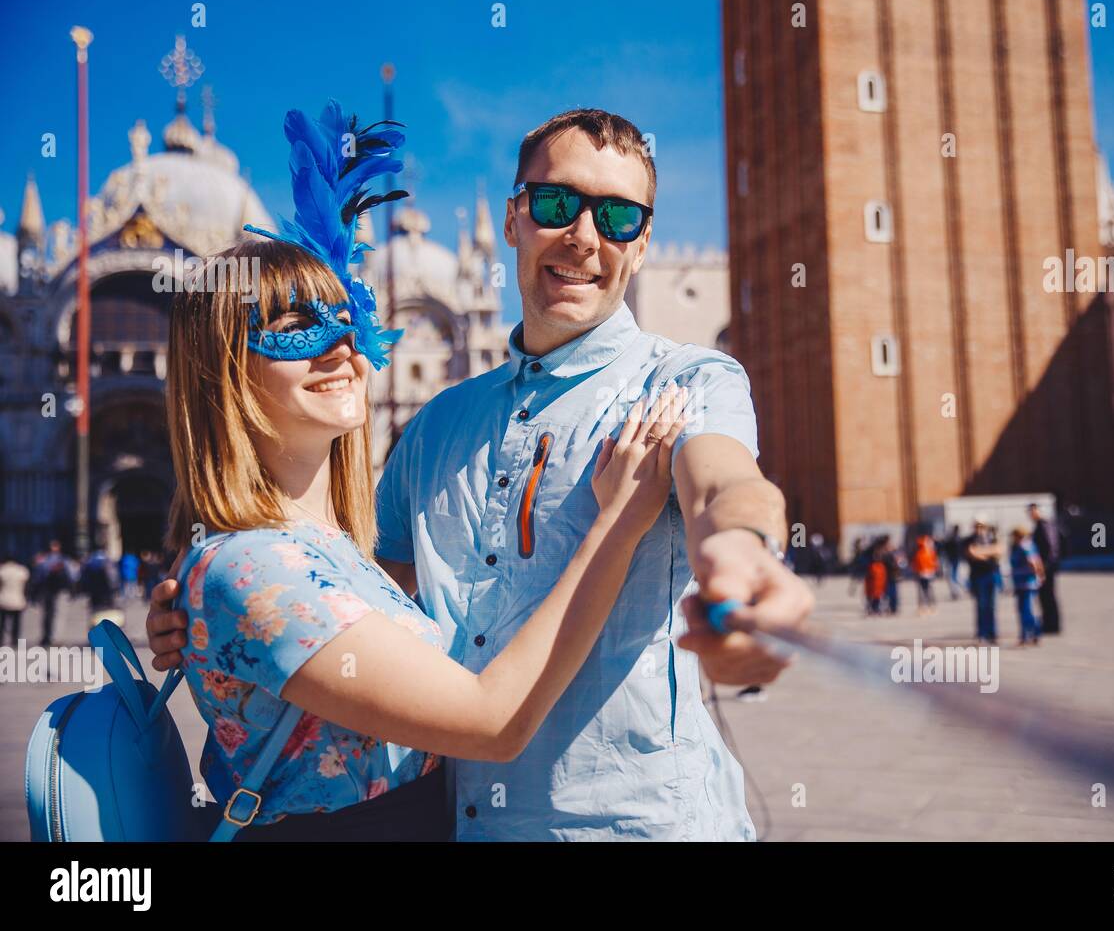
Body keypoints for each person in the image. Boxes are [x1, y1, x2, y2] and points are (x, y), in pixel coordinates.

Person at [148, 105, 813, 841]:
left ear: (643, 241)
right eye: (557, 204)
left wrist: (746, 555)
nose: (584, 237)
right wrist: (211, 616)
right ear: (512, 219)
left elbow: (724, 480)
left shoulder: (684, 382)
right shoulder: (437, 427)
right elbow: (351, 600)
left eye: (619, 216)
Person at [963, 517, 1001, 644]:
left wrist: (981, 553)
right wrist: (988, 553)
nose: (979, 529)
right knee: (981, 605)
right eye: (977, 526)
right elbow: (971, 554)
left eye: (982, 526)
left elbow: (998, 552)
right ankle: (982, 633)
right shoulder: (969, 540)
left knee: (992, 606)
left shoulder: (992, 538)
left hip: (992, 575)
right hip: (978, 576)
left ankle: (992, 633)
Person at [1028, 503, 1063, 634]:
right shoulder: (1043, 525)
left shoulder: (1043, 525)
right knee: (1045, 596)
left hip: (1046, 568)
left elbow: (1050, 548)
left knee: (1048, 596)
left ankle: (1052, 625)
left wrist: (1043, 568)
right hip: (1047, 566)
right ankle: (1049, 623)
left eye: (1033, 511)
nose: (1031, 515)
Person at [32, 540, 71, 646]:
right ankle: (56, 638)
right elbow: (72, 576)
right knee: (58, 614)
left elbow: (38, 577)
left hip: (47, 590)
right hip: (60, 590)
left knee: (47, 614)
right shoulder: (64, 560)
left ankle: (47, 637)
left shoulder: (43, 560)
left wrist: (35, 592)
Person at [1008, 527, 1043, 646]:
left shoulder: (1024, 546)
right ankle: (1026, 635)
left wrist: (1037, 574)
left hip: (1026, 584)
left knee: (1026, 611)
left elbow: (1033, 562)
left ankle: (1033, 633)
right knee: (1024, 610)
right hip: (1021, 583)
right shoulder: (1026, 545)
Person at [0, 556, 30, 647]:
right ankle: (15, 640)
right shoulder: (22, 571)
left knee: (2, 622)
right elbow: (26, 587)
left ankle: (1, 640)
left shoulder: (2, 570)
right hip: (18, 599)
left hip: (3, 599)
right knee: (16, 623)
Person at [911, 532, 938, 615]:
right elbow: (934, 562)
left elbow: (916, 564)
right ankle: (928, 607)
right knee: (927, 591)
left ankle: (926, 607)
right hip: (926, 573)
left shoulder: (924, 553)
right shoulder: (927, 552)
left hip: (924, 574)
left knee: (924, 591)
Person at [942, 525, 963, 599]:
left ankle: (956, 592)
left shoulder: (952, 539)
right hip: (955, 559)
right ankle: (956, 592)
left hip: (952, 559)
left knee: (953, 577)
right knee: (955, 576)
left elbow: (945, 546)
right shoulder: (958, 539)